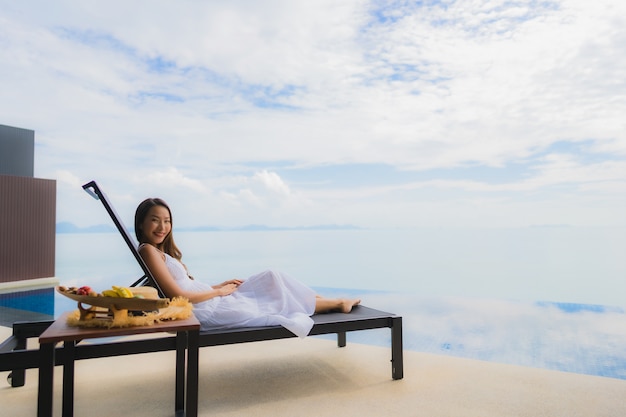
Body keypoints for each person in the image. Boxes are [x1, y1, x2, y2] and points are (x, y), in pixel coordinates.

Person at [134, 198, 361, 337]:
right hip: (205, 311)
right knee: (273, 290)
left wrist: (219, 285)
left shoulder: (160, 252)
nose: (162, 226)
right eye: (155, 220)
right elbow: (177, 295)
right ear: (142, 223)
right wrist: (219, 292)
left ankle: (328, 301)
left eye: (167, 220)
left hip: (209, 300)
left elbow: (186, 286)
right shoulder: (147, 250)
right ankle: (337, 303)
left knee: (272, 278)